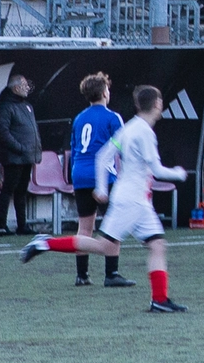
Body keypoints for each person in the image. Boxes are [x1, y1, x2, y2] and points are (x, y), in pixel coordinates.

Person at [21, 86, 190, 313]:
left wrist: (102, 187)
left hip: (136, 200)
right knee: (104, 245)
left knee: (157, 244)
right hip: (131, 200)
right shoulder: (143, 132)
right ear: (157, 104)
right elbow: (157, 170)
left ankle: (159, 300)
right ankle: (45, 243)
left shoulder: (129, 128)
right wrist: (179, 173)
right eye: (160, 100)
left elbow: (103, 156)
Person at [69, 73, 136, 287]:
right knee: (114, 224)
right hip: (103, 175)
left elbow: (74, 149)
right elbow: (124, 148)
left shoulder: (79, 118)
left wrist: (75, 178)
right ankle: (111, 273)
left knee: (84, 227)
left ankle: (82, 275)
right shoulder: (112, 117)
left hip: (80, 173)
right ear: (105, 92)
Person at [0, 74, 42, 236]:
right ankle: (2, 225)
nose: (28, 88)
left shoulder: (27, 106)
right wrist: (20, 147)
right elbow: (3, 132)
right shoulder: (6, 107)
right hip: (14, 157)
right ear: (15, 88)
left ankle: (22, 225)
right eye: (24, 85)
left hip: (27, 156)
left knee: (22, 191)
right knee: (8, 190)